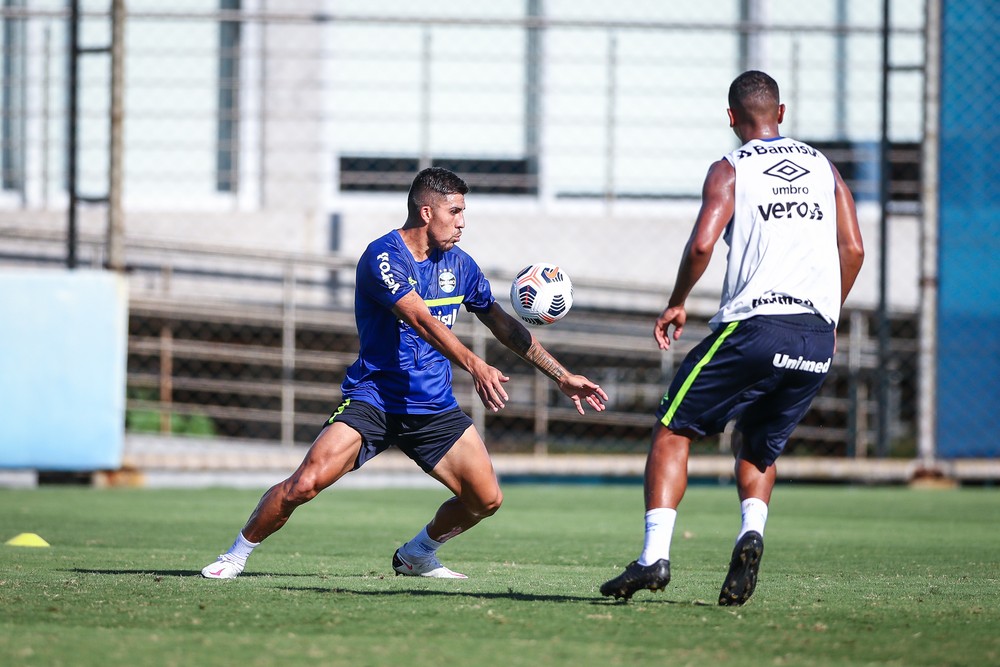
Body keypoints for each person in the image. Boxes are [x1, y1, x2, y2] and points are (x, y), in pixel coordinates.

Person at [202, 167, 608, 580]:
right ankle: (234, 556)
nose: (463, 222)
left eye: (464, 212)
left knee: (485, 499)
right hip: (375, 400)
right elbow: (421, 320)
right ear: (427, 212)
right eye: (455, 212)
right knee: (305, 484)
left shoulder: (461, 265)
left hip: (432, 405)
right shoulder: (383, 257)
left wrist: (560, 375)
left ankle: (417, 554)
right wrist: (475, 364)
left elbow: (503, 325)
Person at [600, 71, 864, 605]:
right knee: (757, 443)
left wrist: (677, 300)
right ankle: (751, 531)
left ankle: (653, 558)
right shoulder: (823, 166)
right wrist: (829, 317)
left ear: (730, 118)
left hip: (755, 327)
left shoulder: (731, 167)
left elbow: (702, 244)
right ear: (781, 113)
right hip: (816, 335)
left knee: (673, 429)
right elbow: (853, 249)